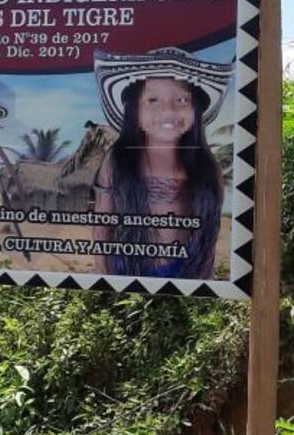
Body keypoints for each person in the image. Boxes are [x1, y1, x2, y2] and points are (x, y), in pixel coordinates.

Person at [90, 47, 233, 279]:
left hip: (185, 271)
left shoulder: (207, 168)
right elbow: (102, 224)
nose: (169, 110)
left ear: (195, 108)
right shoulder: (117, 160)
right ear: (135, 109)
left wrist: (205, 281)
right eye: (153, 100)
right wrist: (102, 273)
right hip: (126, 268)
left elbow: (210, 235)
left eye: (182, 99)